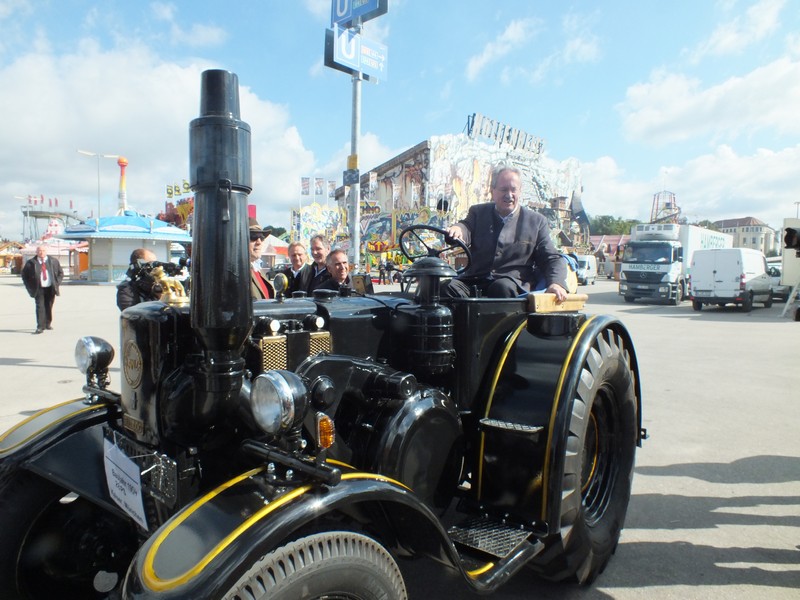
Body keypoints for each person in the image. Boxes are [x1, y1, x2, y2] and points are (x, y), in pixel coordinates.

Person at [444, 164, 568, 301]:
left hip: (512, 284)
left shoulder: (536, 221)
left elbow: (551, 258)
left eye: (513, 190)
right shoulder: (478, 213)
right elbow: (465, 227)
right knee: (444, 288)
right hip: (474, 280)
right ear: (493, 191)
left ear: (520, 191)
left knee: (500, 288)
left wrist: (556, 283)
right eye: (503, 189)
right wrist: (458, 229)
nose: (509, 195)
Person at [21, 245, 64, 334]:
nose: (41, 252)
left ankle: (47, 323)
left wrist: (57, 283)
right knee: (40, 306)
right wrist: (29, 286)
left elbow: (60, 273)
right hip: (38, 288)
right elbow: (24, 275)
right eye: (39, 250)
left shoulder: (53, 261)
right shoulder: (31, 263)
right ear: (36, 252)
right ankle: (40, 327)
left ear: (46, 251)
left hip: (50, 287)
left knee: (49, 306)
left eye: (43, 250)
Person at [249, 218, 275, 300]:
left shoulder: (258, 270)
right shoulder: (239, 272)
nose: (259, 242)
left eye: (262, 237)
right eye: (253, 237)